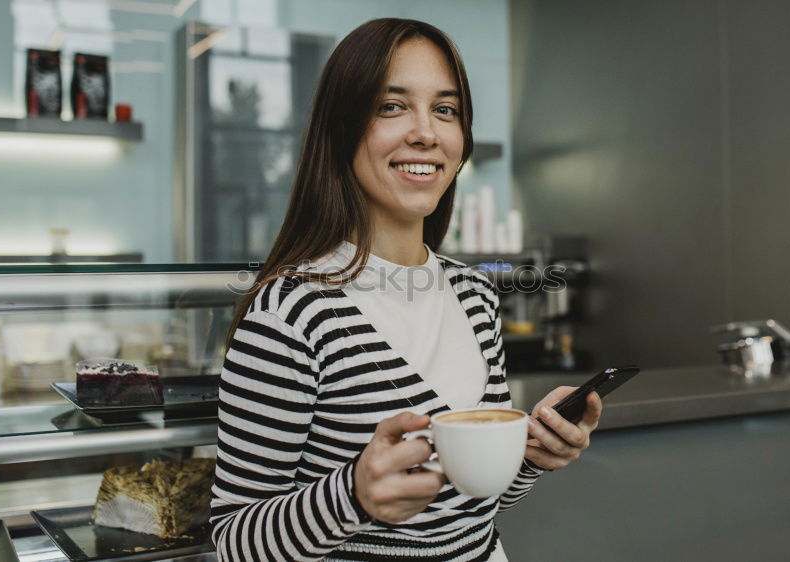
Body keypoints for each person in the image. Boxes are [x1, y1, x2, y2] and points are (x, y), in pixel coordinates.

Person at [210, 18, 603, 561]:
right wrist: (352, 496)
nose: (427, 132)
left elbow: (467, 509)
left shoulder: (474, 294)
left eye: (446, 110)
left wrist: (532, 455)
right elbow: (235, 540)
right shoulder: (291, 315)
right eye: (392, 106)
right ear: (342, 128)